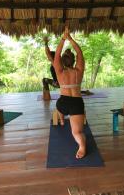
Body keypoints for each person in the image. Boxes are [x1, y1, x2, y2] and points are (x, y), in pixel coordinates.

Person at [54, 26, 86, 159]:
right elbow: (79, 53)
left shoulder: (60, 71)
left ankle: (62, 120)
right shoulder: (78, 71)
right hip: (77, 104)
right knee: (77, 132)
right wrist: (70, 39)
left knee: (58, 108)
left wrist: (63, 38)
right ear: (74, 61)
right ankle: (82, 147)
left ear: (62, 62)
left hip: (63, 103)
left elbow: (56, 54)